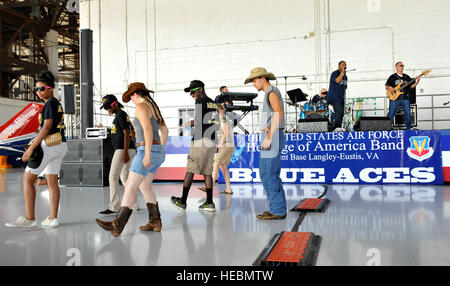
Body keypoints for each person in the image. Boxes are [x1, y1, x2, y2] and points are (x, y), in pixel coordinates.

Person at [96, 82, 168, 237]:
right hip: (157, 151)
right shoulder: (154, 107)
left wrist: (148, 153)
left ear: (135, 95)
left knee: (129, 186)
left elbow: (148, 129)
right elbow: (164, 130)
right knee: (145, 187)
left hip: (145, 150)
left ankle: (117, 225)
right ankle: (155, 221)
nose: (132, 100)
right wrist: (158, 149)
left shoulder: (141, 106)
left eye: (131, 97)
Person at [5, 71, 68, 228]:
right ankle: (53, 218)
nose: (38, 92)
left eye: (42, 89)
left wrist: (31, 148)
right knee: (52, 182)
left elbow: (46, 127)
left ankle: (29, 218)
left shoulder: (49, 104)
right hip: (60, 145)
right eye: (36, 89)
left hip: (49, 145)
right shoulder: (56, 104)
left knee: (27, 179)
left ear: (50, 88)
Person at [244, 67, 287, 220]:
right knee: (269, 174)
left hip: (273, 136)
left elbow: (278, 113)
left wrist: (268, 137)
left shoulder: (271, 92)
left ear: (263, 78)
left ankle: (278, 210)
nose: (253, 84)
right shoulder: (270, 93)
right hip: (272, 135)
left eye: (254, 80)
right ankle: (277, 208)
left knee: (268, 174)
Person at [171, 80, 218, 212]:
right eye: (190, 92)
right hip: (212, 140)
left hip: (200, 140)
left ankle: (182, 201)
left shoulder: (199, 102)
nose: (192, 94)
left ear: (201, 89)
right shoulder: (213, 103)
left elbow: (198, 121)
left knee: (190, 169)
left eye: (193, 91)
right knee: (207, 172)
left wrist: (190, 123)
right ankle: (209, 203)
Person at [98, 94, 139, 215]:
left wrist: (125, 151)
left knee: (113, 177)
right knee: (125, 178)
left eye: (108, 107)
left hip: (122, 150)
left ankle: (114, 207)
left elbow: (127, 133)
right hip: (128, 148)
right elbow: (132, 131)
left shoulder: (120, 115)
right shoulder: (122, 115)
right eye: (105, 108)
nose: (107, 110)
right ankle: (134, 204)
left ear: (114, 104)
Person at [199, 103, 235, 194]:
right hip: (229, 145)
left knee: (215, 164)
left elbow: (224, 132)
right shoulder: (222, 119)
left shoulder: (222, 118)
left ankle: (209, 186)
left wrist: (221, 143)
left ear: (221, 110)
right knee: (223, 167)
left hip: (226, 144)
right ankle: (228, 189)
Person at [386, 61, 420, 130]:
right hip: (394, 98)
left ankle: (409, 127)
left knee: (408, 113)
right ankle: (388, 127)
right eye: (400, 65)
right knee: (391, 113)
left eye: (403, 65)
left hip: (405, 98)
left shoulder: (406, 77)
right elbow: (386, 86)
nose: (402, 67)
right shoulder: (392, 77)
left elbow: (411, 87)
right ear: (396, 67)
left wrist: (417, 81)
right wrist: (390, 87)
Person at [327, 61, 348, 129]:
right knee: (339, 112)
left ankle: (339, 127)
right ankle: (336, 128)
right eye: (343, 65)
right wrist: (342, 72)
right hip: (334, 97)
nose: (344, 67)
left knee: (341, 113)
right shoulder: (334, 73)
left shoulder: (345, 77)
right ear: (339, 66)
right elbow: (337, 81)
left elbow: (344, 87)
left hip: (340, 98)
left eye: (345, 65)